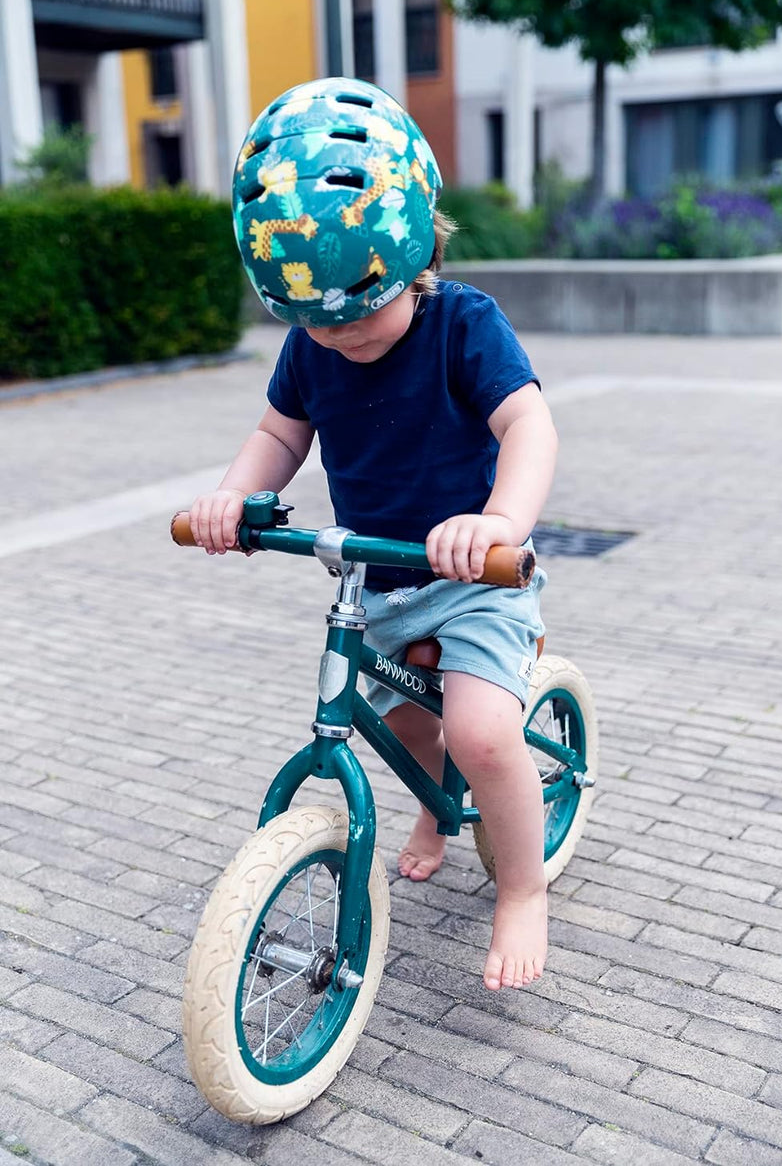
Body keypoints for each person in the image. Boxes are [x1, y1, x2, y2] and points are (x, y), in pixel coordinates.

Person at [190, 77, 558, 991]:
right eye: (312, 319)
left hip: (474, 578)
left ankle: (520, 887)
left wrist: (498, 524)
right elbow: (280, 433)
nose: (335, 336)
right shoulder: (314, 336)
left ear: (415, 253)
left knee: (476, 733)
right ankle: (434, 814)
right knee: (404, 724)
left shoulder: (462, 324)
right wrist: (235, 498)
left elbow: (529, 427)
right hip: (375, 579)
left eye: (358, 314)